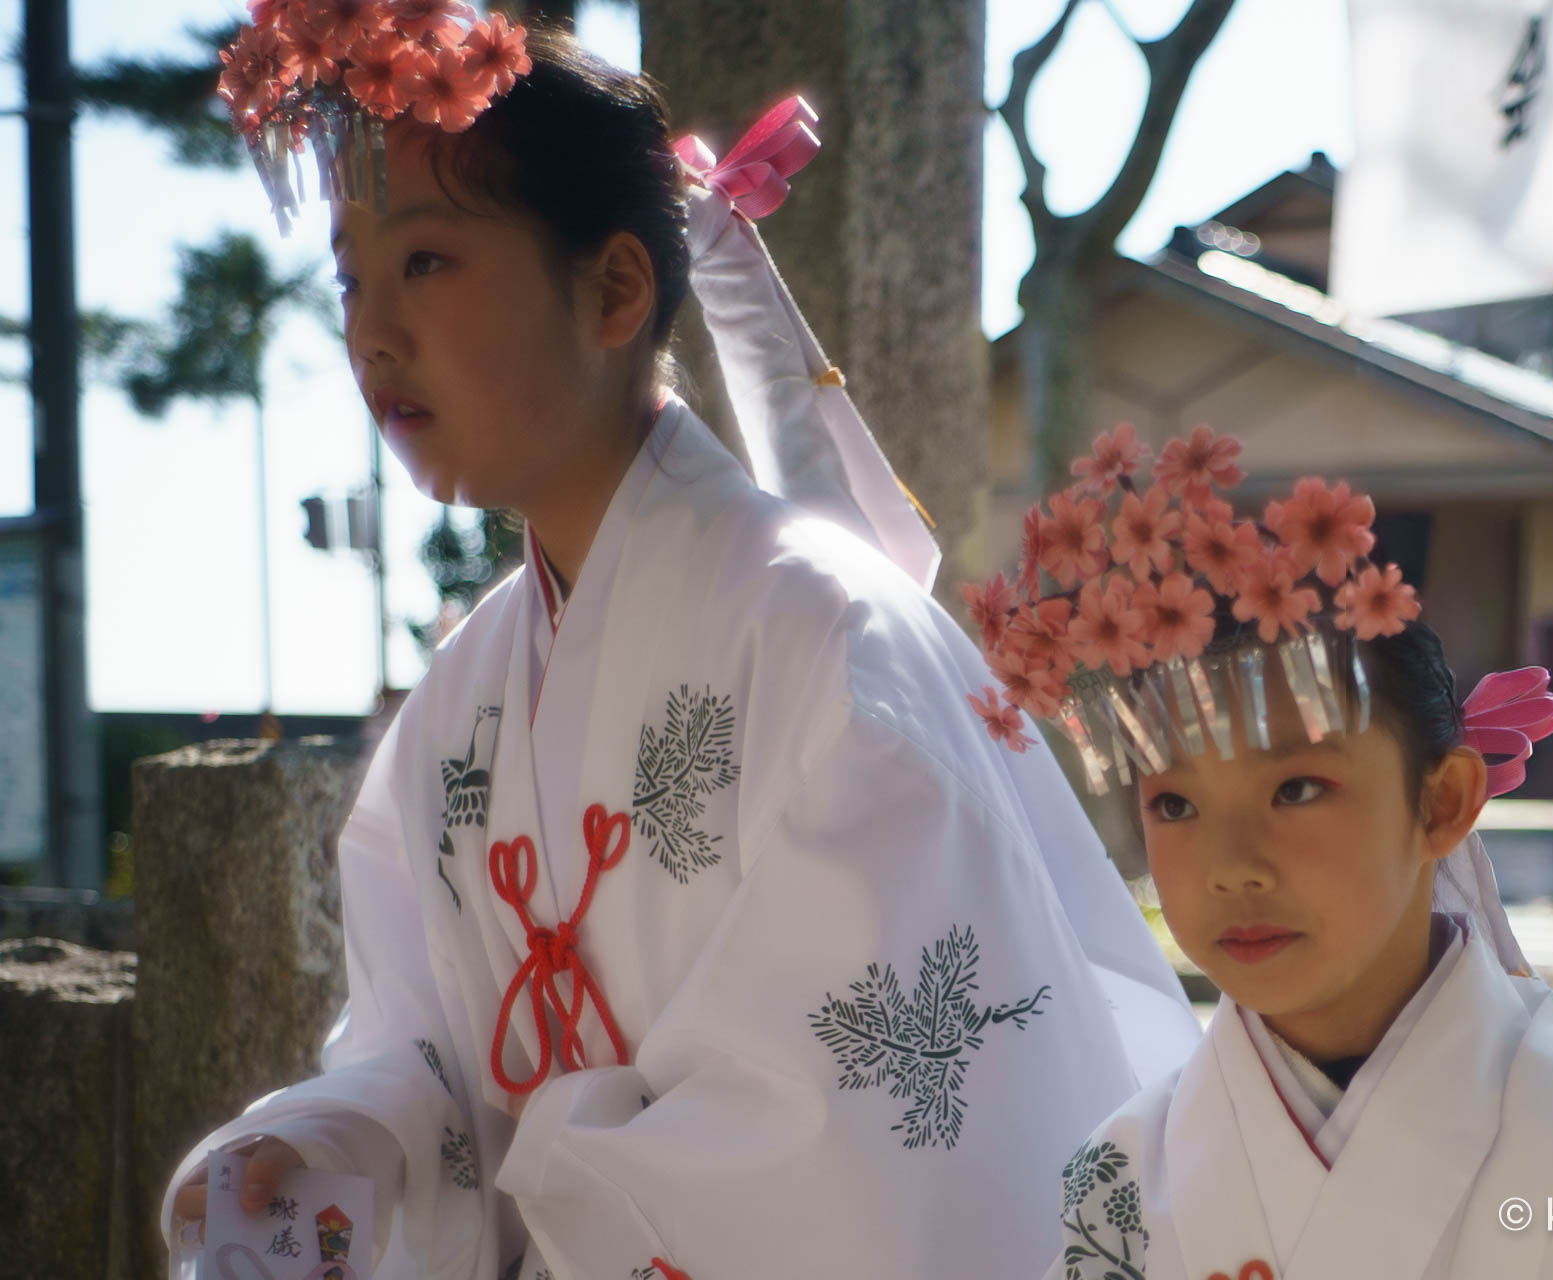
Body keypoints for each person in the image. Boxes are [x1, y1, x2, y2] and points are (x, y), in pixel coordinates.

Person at [165, 7, 1196, 1278]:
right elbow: (425, 1041)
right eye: (350, 279)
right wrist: (336, 1142)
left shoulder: (826, 632)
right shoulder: (461, 701)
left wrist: (556, 1168)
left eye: (426, 262)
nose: (372, 331)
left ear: (612, 288)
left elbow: (870, 1129)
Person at [958, 427, 1553, 1278]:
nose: (1231, 864)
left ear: (1441, 801)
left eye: (1296, 789)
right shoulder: (1121, 1182)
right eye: (1174, 803)